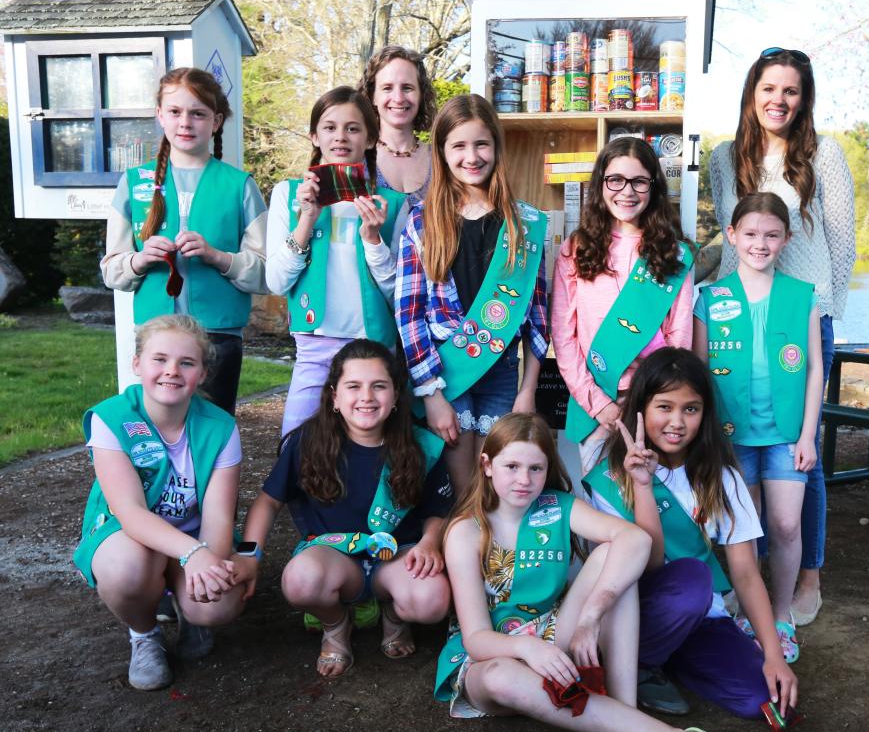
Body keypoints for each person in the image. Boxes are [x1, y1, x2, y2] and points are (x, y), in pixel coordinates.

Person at [437, 412, 745, 732]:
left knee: (615, 559)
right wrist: (525, 649)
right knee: (499, 676)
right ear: (487, 465)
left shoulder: (557, 506)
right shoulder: (466, 531)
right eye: (511, 466)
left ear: (549, 470)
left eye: (536, 468)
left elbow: (635, 539)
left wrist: (591, 616)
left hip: (554, 638)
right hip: (493, 657)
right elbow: (475, 637)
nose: (523, 479)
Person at [710, 47, 855, 625]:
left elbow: (842, 241)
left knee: (802, 452)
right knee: (739, 448)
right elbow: (728, 242)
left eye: (791, 91)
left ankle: (806, 576)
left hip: (802, 318)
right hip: (740, 316)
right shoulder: (726, 157)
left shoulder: (826, 154)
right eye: (769, 88)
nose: (779, 100)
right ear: (752, 93)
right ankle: (749, 577)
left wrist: (827, 311)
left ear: (804, 99)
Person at [584, 348, 799, 717]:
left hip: (700, 618)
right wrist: (644, 486)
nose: (677, 421)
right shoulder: (610, 476)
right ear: (641, 409)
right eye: (664, 407)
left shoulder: (722, 477)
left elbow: (746, 574)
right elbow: (648, 567)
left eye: (690, 409)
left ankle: (666, 661)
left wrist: (774, 656)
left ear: (705, 414)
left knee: (761, 699)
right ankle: (638, 661)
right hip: (633, 611)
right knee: (692, 580)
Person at [242, 339, 452, 678]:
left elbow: (438, 510)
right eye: (353, 386)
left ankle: (394, 614)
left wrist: (429, 543)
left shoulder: (421, 446)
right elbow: (268, 502)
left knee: (432, 600)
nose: (366, 397)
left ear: (396, 396)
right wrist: (248, 556)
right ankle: (336, 624)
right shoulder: (309, 442)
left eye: (379, 386)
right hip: (336, 559)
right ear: (334, 397)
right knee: (299, 580)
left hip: (397, 559)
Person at [74, 315, 256, 691]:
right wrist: (195, 555)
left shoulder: (220, 427)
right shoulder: (111, 418)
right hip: (130, 537)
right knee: (129, 568)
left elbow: (219, 518)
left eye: (186, 363)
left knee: (216, 604)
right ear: (137, 363)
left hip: (194, 542)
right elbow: (130, 513)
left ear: (203, 373)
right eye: (159, 359)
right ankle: (144, 634)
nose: (171, 371)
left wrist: (208, 563)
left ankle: (191, 614)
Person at [396, 94, 549, 495]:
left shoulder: (525, 224)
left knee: (497, 488)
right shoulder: (422, 221)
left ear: (496, 147)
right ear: (442, 152)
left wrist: (528, 389)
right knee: (461, 490)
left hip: (501, 373)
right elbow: (409, 316)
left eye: (481, 144)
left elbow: (537, 319)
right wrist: (430, 393)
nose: (472, 156)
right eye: (458, 146)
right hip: (446, 373)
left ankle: (492, 559)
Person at [694, 192, 822, 660]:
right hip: (732, 439)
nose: (760, 244)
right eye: (750, 234)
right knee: (742, 531)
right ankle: (745, 608)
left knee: (786, 524)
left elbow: (813, 369)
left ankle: (783, 614)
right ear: (732, 236)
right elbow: (700, 372)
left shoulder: (801, 295)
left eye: (771, 235)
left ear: (785, 239)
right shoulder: (711, 298)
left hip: (787, 435)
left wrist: (808, 434)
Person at [101, 67, 268, 415]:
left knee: (214, 429)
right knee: (156, 430)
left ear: (216, 121)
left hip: (218, 336)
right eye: (175, 112)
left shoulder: (239, 186)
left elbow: (266, 273)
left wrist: (219, 257)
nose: (186, 122)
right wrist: (139, 259)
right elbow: (112, 271)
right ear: (160, 115)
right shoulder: (134, 183)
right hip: (155, 337)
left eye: (198, 113)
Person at [266, 87, 410, 436]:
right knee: (295, 445)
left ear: (372, 138)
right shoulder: (287, 195)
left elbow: (399, 295)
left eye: (353, 128)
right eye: (329, 127)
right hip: (314, 343)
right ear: (314, 135)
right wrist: (306, 220)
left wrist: (373, 240)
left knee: (367, 448)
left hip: (373, 346)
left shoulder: (393, 205)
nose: (340, 137)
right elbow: (276, 282)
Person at [552, 136, 694, 475]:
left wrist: (647, 401)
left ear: (654, 187)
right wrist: (598, 404)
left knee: (651, 507)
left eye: (639, 181)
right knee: (599, 512)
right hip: (595, 402)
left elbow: (679, 339)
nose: (627, 191)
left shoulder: (674, 254)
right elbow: (563, 336)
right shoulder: (576, 249)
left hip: (652, 403)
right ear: (600, 183)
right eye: (616, 180)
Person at [359, 45, 437, 202]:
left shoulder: (441, 159)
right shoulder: (356, 159)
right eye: (387, 88)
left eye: (407, 88)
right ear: (372, 95)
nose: (399, 98)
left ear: (421, 94)